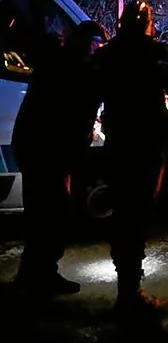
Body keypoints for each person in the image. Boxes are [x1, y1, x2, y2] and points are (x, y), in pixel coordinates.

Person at [95, 0, 168, 320]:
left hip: (119, 143)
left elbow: (89, 99)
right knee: (135, 212)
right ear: (149, 24)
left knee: (125, 211)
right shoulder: (161, 57)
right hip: (148, 145)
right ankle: (129, 292)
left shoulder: (107, 56)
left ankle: (126, 285)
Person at [11, 21, 107, 296]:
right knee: (51, 215)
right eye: (96, 46)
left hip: (38, 149)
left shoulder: (60, 62)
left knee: (42, 216)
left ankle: (34, 275)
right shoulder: (72, 68)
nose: (98, 52)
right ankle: (38, 279)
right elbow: (83, 99)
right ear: (87, 43)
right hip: (47, 152)